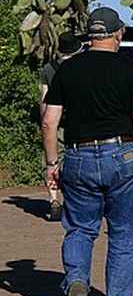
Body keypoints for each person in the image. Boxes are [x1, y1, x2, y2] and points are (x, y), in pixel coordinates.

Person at [41, 6, 133, 296]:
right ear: (118, 33)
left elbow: (49, 122)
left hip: (78, 156)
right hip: (120, 154)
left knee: (79, 228)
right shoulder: (129, 70)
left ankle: (77, 280)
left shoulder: (66, 70)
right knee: (123, 231)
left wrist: (52, 164)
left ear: (89, 36)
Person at [39, 30, 83, 222]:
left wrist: (45, 122)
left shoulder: (48, 69)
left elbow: (44, 98)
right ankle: (75, 201)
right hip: (78, 121)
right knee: (77, 160)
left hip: (55, 120)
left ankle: (53, 199)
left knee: (52, 159)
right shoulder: (81, 66)